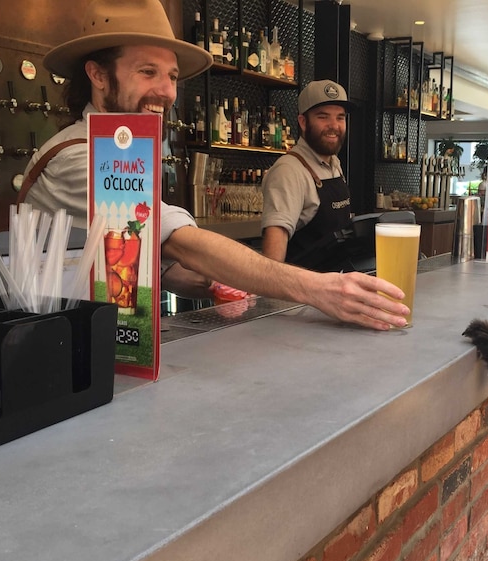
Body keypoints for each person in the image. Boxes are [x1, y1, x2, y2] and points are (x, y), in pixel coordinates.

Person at [21, 0, 408, 331]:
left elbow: (141, 254)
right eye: (147, 72)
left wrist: (211, 283)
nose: (167, 91)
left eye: (172, 76)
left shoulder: (122, 152)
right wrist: (317, 288)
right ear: (99, 75)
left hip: (104, 341)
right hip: (52, 350)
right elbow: (180, 242)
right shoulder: (78, 157)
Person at [260, 80, 353, 270]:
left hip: (336, 287)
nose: (333, 125)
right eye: (323, 117)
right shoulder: (289, 171)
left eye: (340, 117)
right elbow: (272, 260)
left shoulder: (334, 163)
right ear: (303, 122)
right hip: (303, 294)